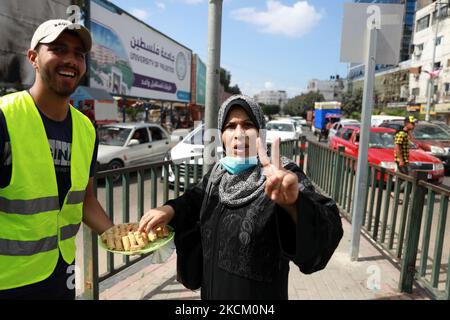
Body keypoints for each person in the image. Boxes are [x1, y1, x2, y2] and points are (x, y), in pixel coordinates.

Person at [138, 95, 343, 300]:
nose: (239, 134)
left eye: (247, 125)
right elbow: (195, 198)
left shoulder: (281, 176)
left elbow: (328, 228)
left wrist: (294, 205)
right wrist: (169, 209)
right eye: (230, 126)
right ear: (222, 135)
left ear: (260, 132)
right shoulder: (219, 174)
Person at [0, 19, 113, 299]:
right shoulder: (5, 117)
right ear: (33, 58)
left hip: (62, 275)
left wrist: (116, 234)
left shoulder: (86, 129)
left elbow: (85, 200)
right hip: (9, 281)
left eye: (78, 54)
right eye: (58, 49)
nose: (70, 60)